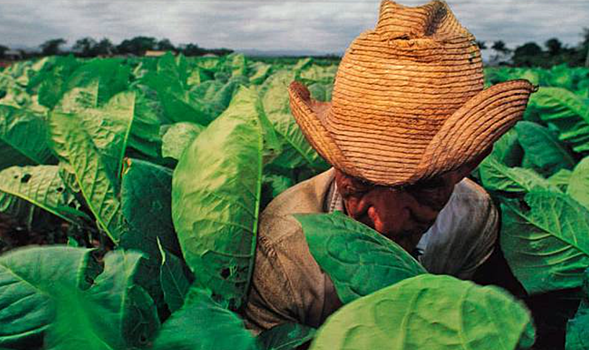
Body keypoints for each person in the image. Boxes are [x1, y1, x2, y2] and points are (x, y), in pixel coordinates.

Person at [242, 0, 535, 334]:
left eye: (423, 187)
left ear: (469, 164)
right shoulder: (283, 254)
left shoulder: (476, 217)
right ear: (334, 163)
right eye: (360, 183)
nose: (386, 223)